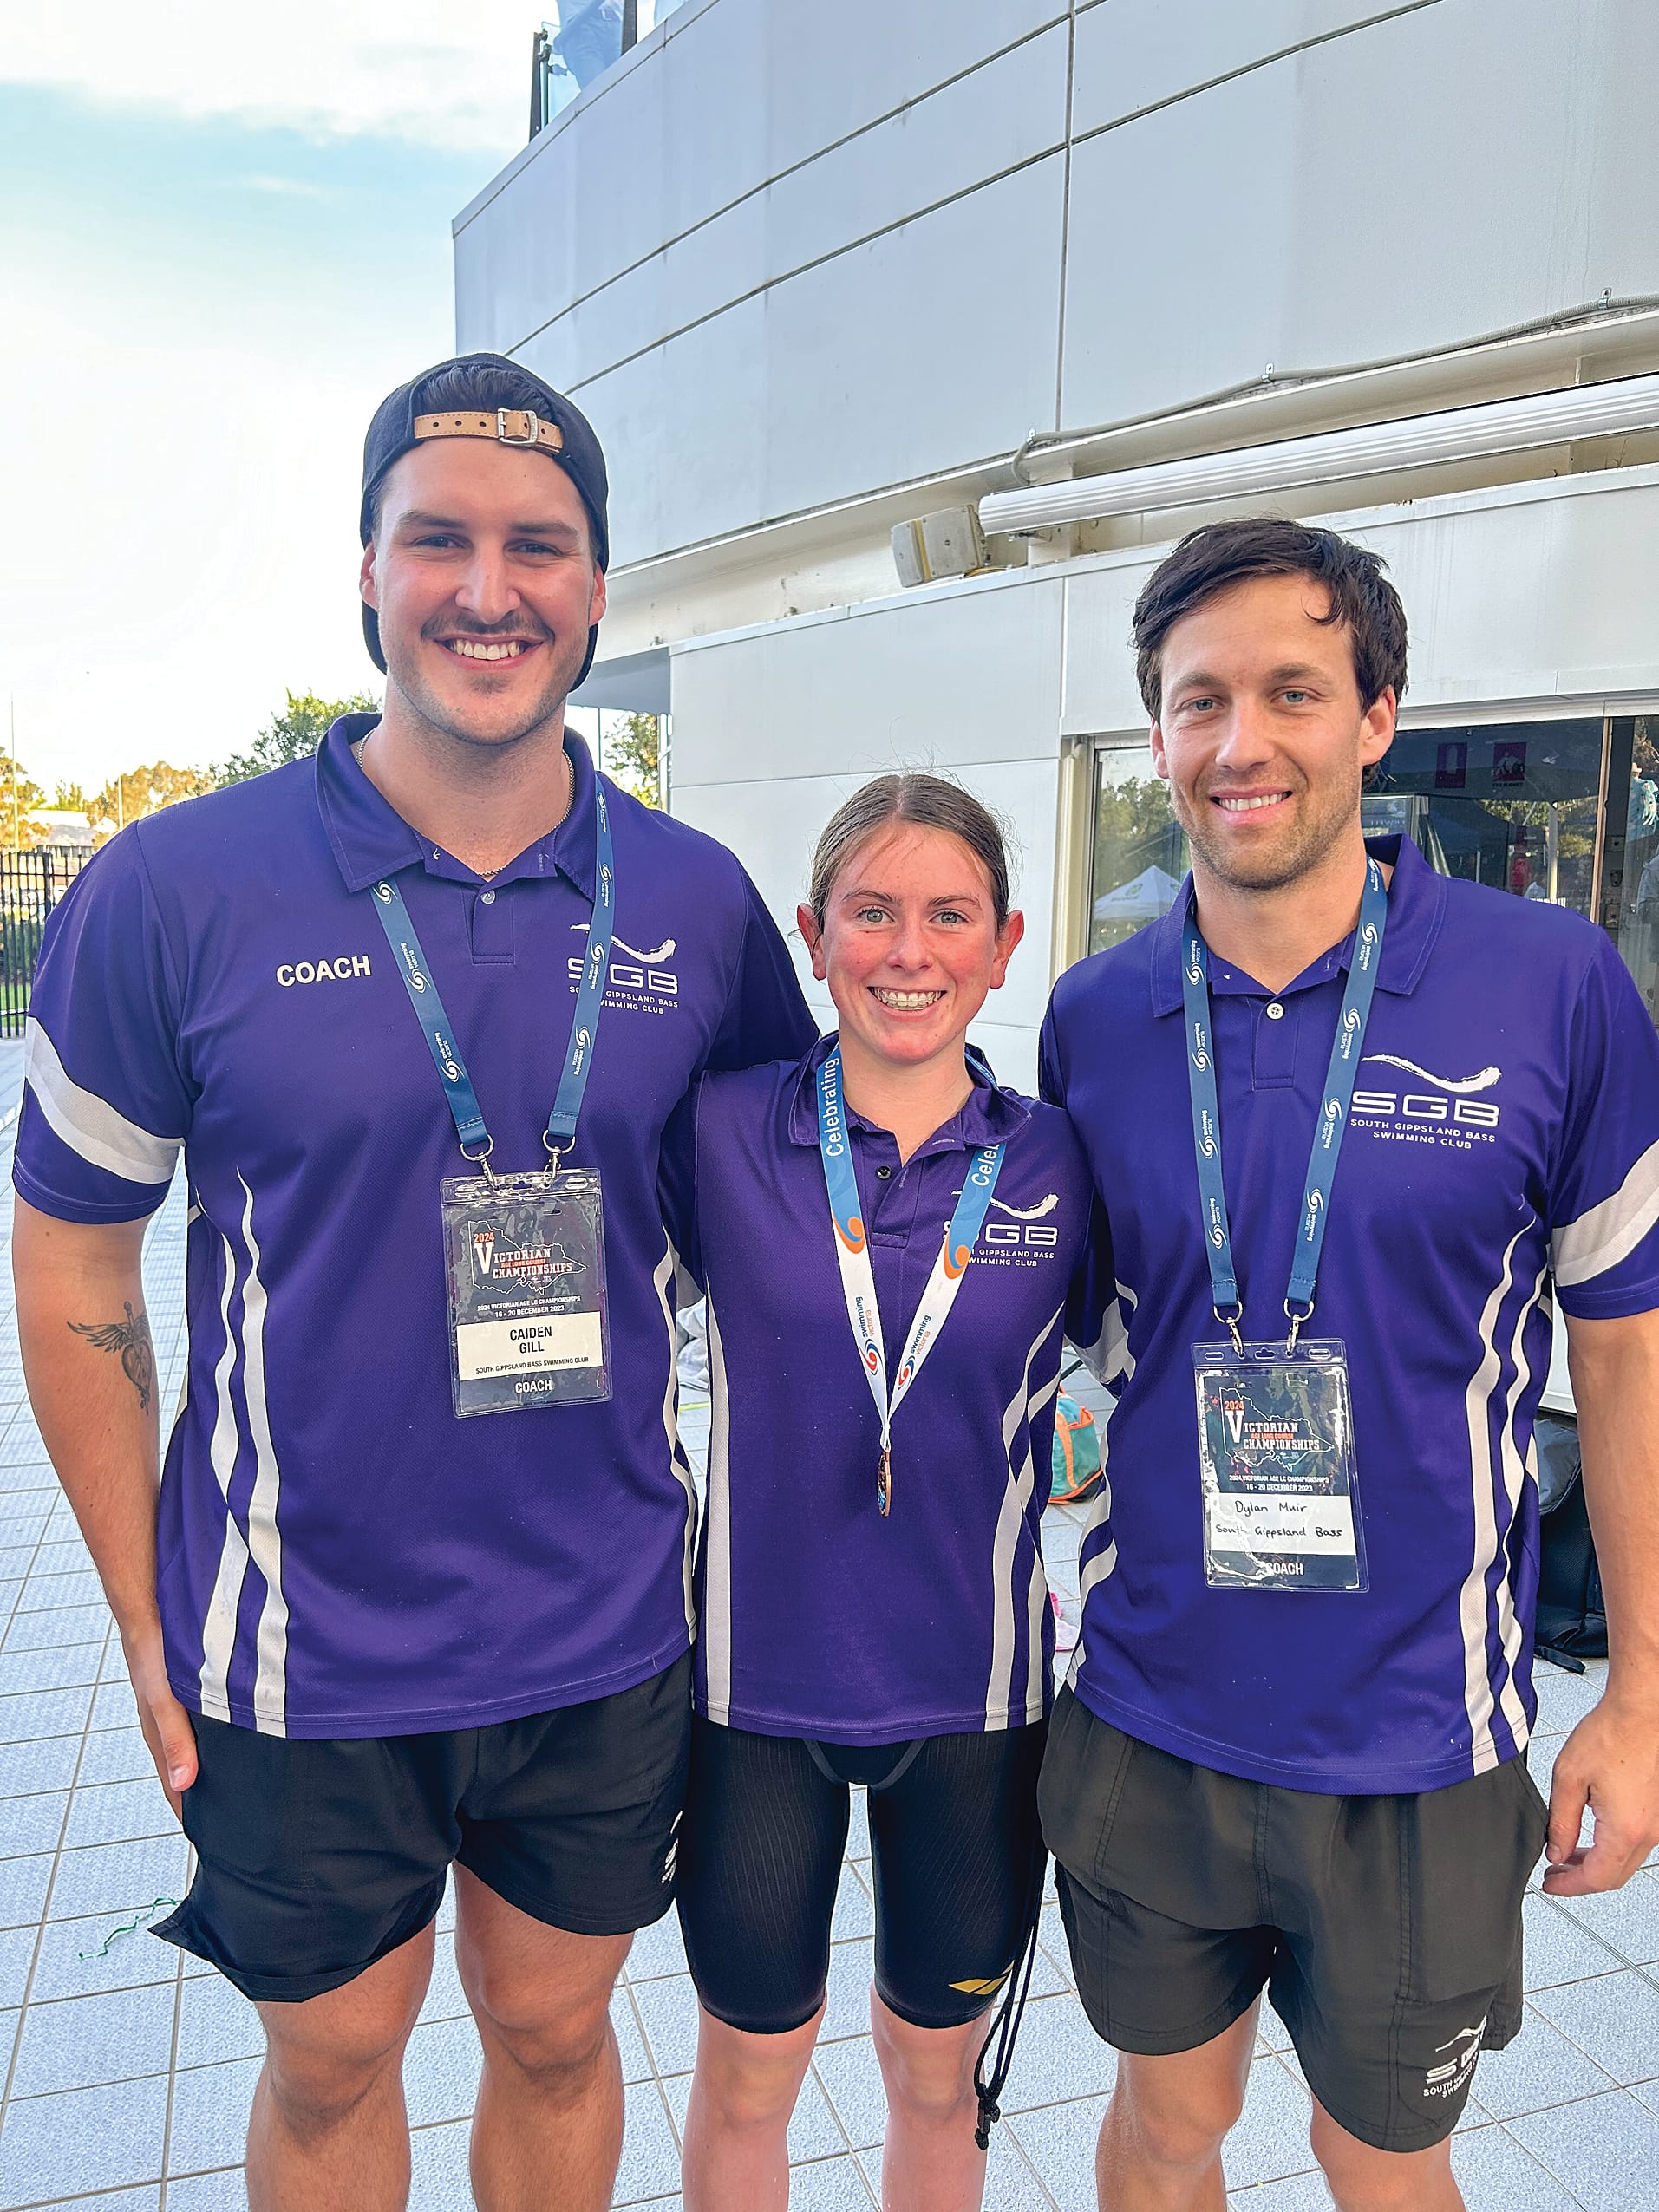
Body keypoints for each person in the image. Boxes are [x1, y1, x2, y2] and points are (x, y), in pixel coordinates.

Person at [10, 353, 814, 2212]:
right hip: (302, 1647)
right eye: (435, 536)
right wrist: (142, 1616)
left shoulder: (696, 906)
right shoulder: (173, 890)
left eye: (539, 546)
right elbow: (70, 1252)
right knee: (331, 2057)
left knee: (552, 2033)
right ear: (365, 573)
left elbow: (784, 1215)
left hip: (605, 1634)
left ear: (601, 591)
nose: (488, 586)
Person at [1038, 518, 1659, 2212]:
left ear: (1379, 716)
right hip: (1151, 1712)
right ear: (1158, 732)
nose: (1243, 743)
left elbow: (1626, 1355)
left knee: (1383, 2161)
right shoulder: (1094, 1020)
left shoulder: (1551, 988)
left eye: (1293, 690)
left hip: (1419, 1742)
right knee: (1167, 2130)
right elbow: (1092, 1347)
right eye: (1199, 700)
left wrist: (1647, 1693)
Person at [661, 774, 1099, 2212]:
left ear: (1002, 943)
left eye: (947, 916)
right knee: (745, 2078)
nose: (907, 951)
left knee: (932, 2077)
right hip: (754, 1703)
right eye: (871, 912)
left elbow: (1134, 1387)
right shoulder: (719, 1133)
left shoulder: (1057, 1163)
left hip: (974, 1709)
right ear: (811, 932)